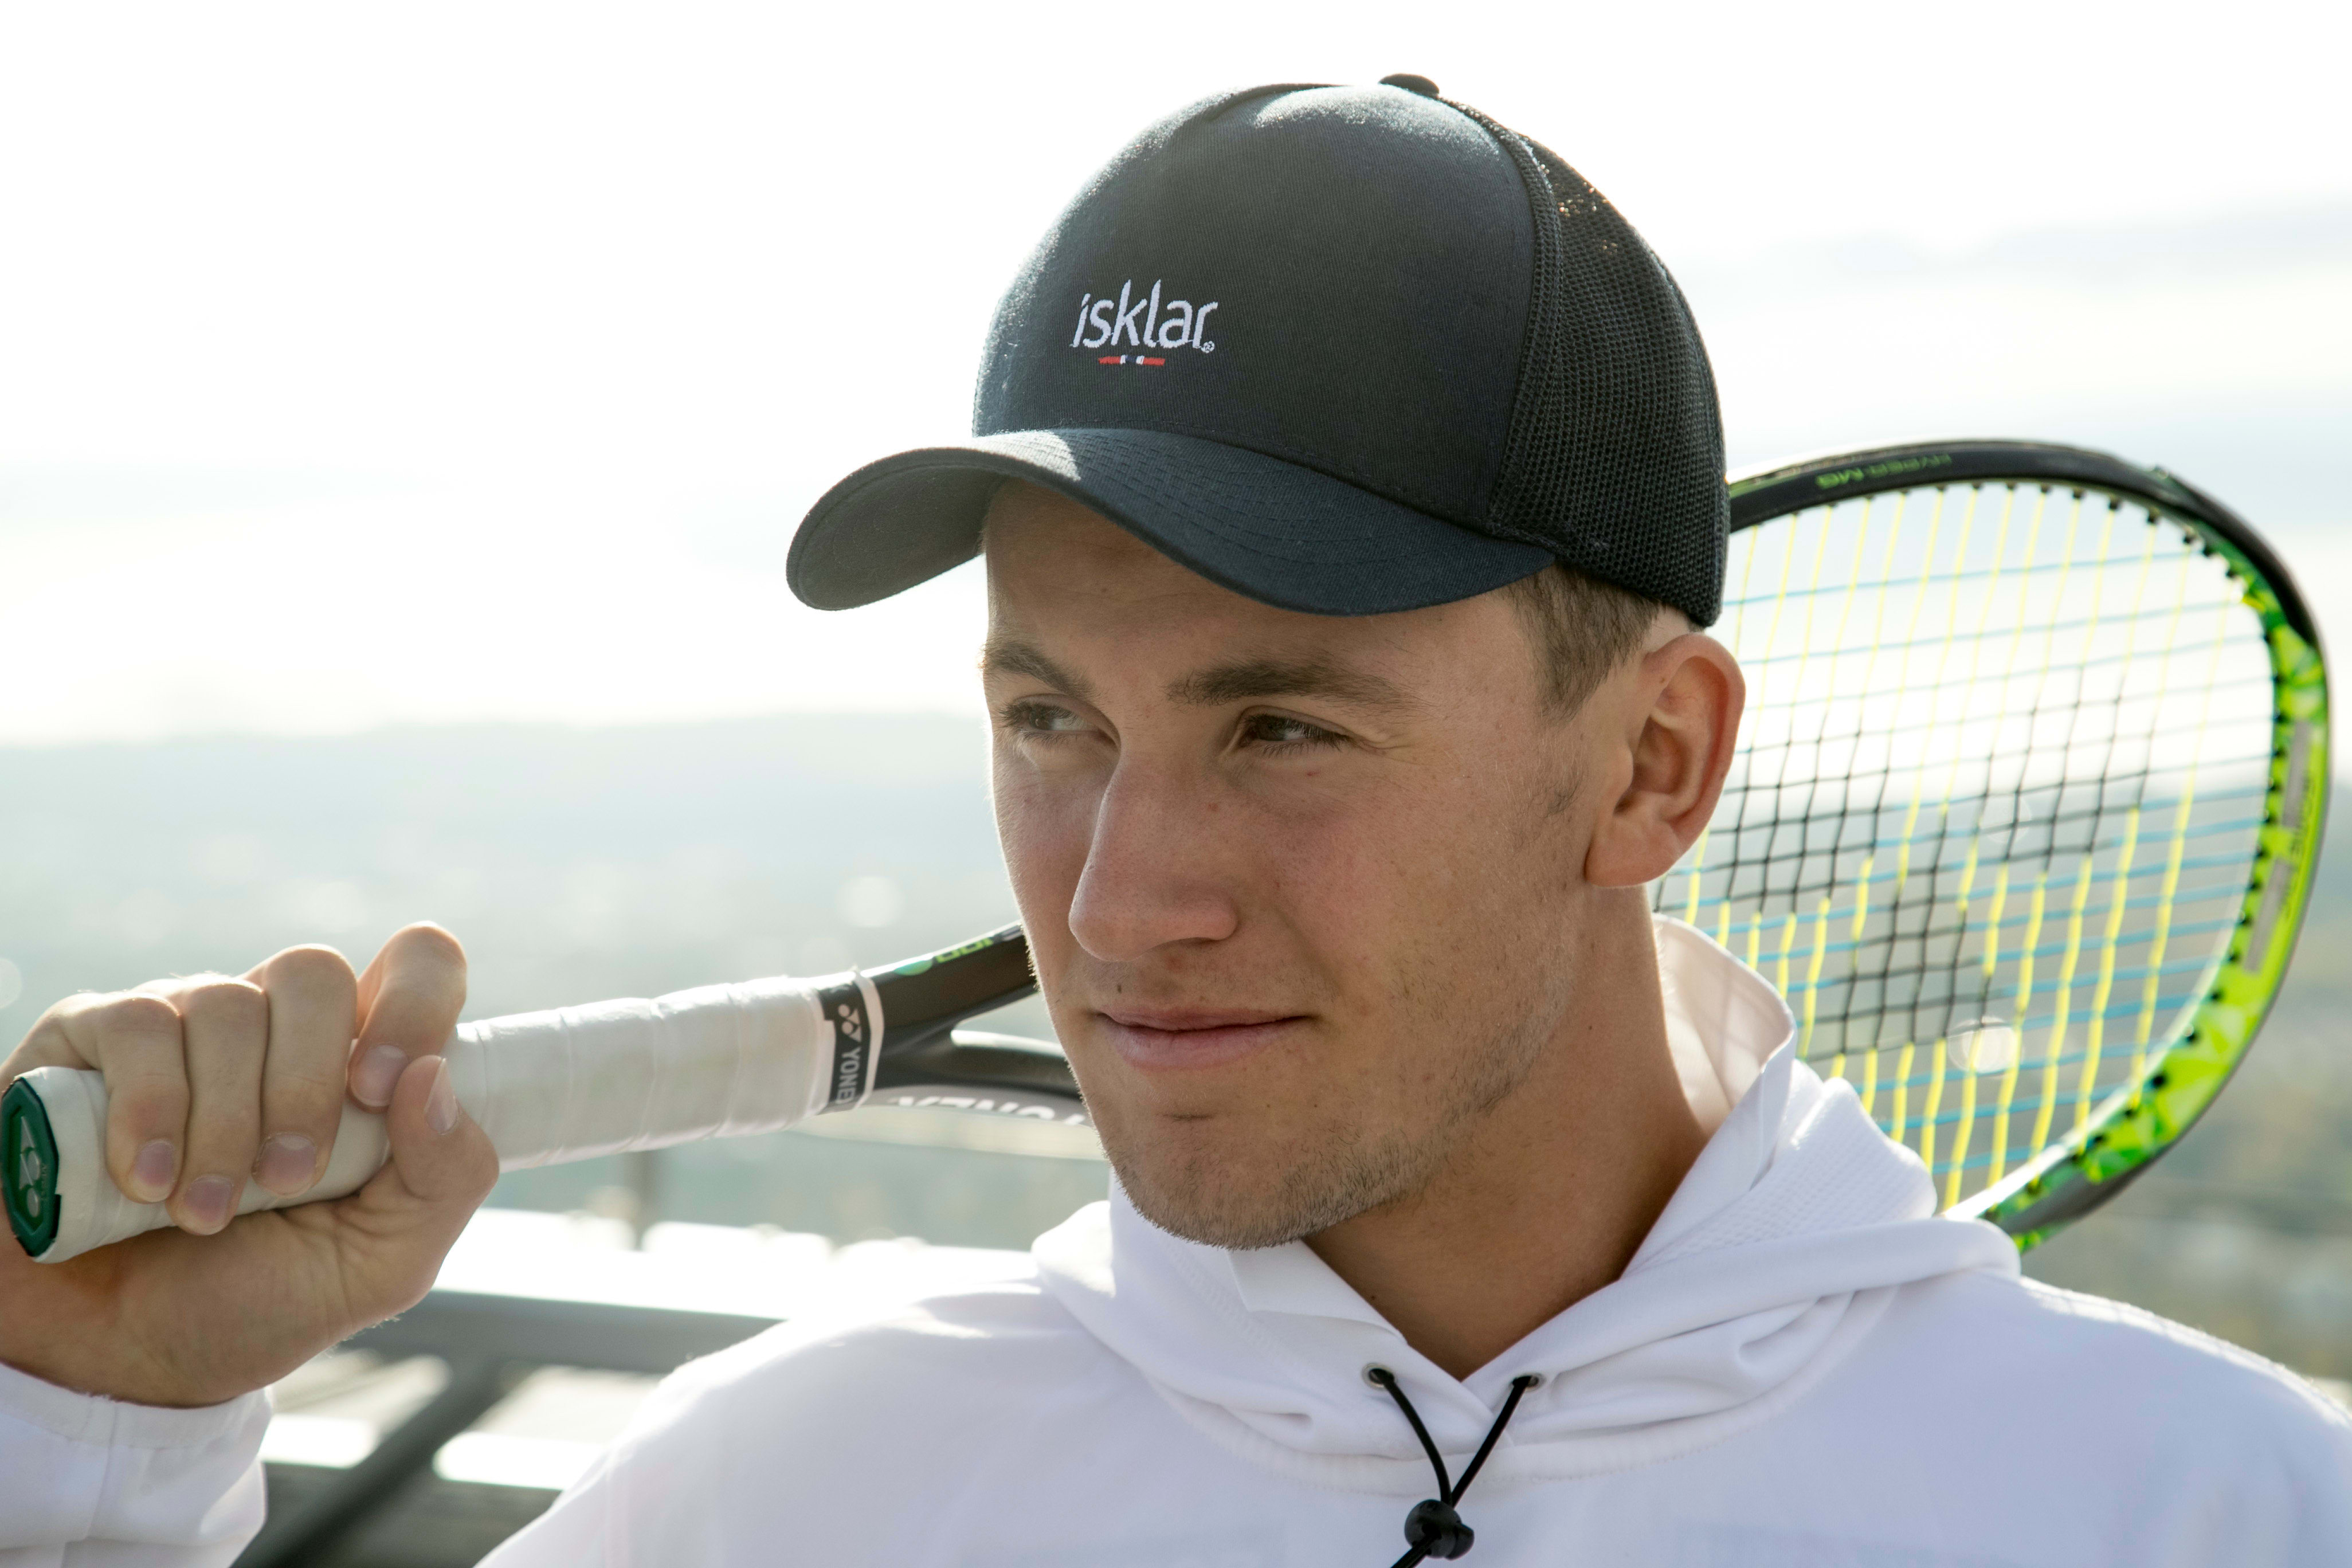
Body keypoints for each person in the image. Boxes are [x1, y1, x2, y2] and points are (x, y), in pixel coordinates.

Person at [3, 76, 2347, 1568]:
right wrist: (91, 1439)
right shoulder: (762, 1501)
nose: (1120, 903)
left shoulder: (2212, 1518)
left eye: (1285, 728)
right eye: (1050, 716)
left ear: (1653, 767)